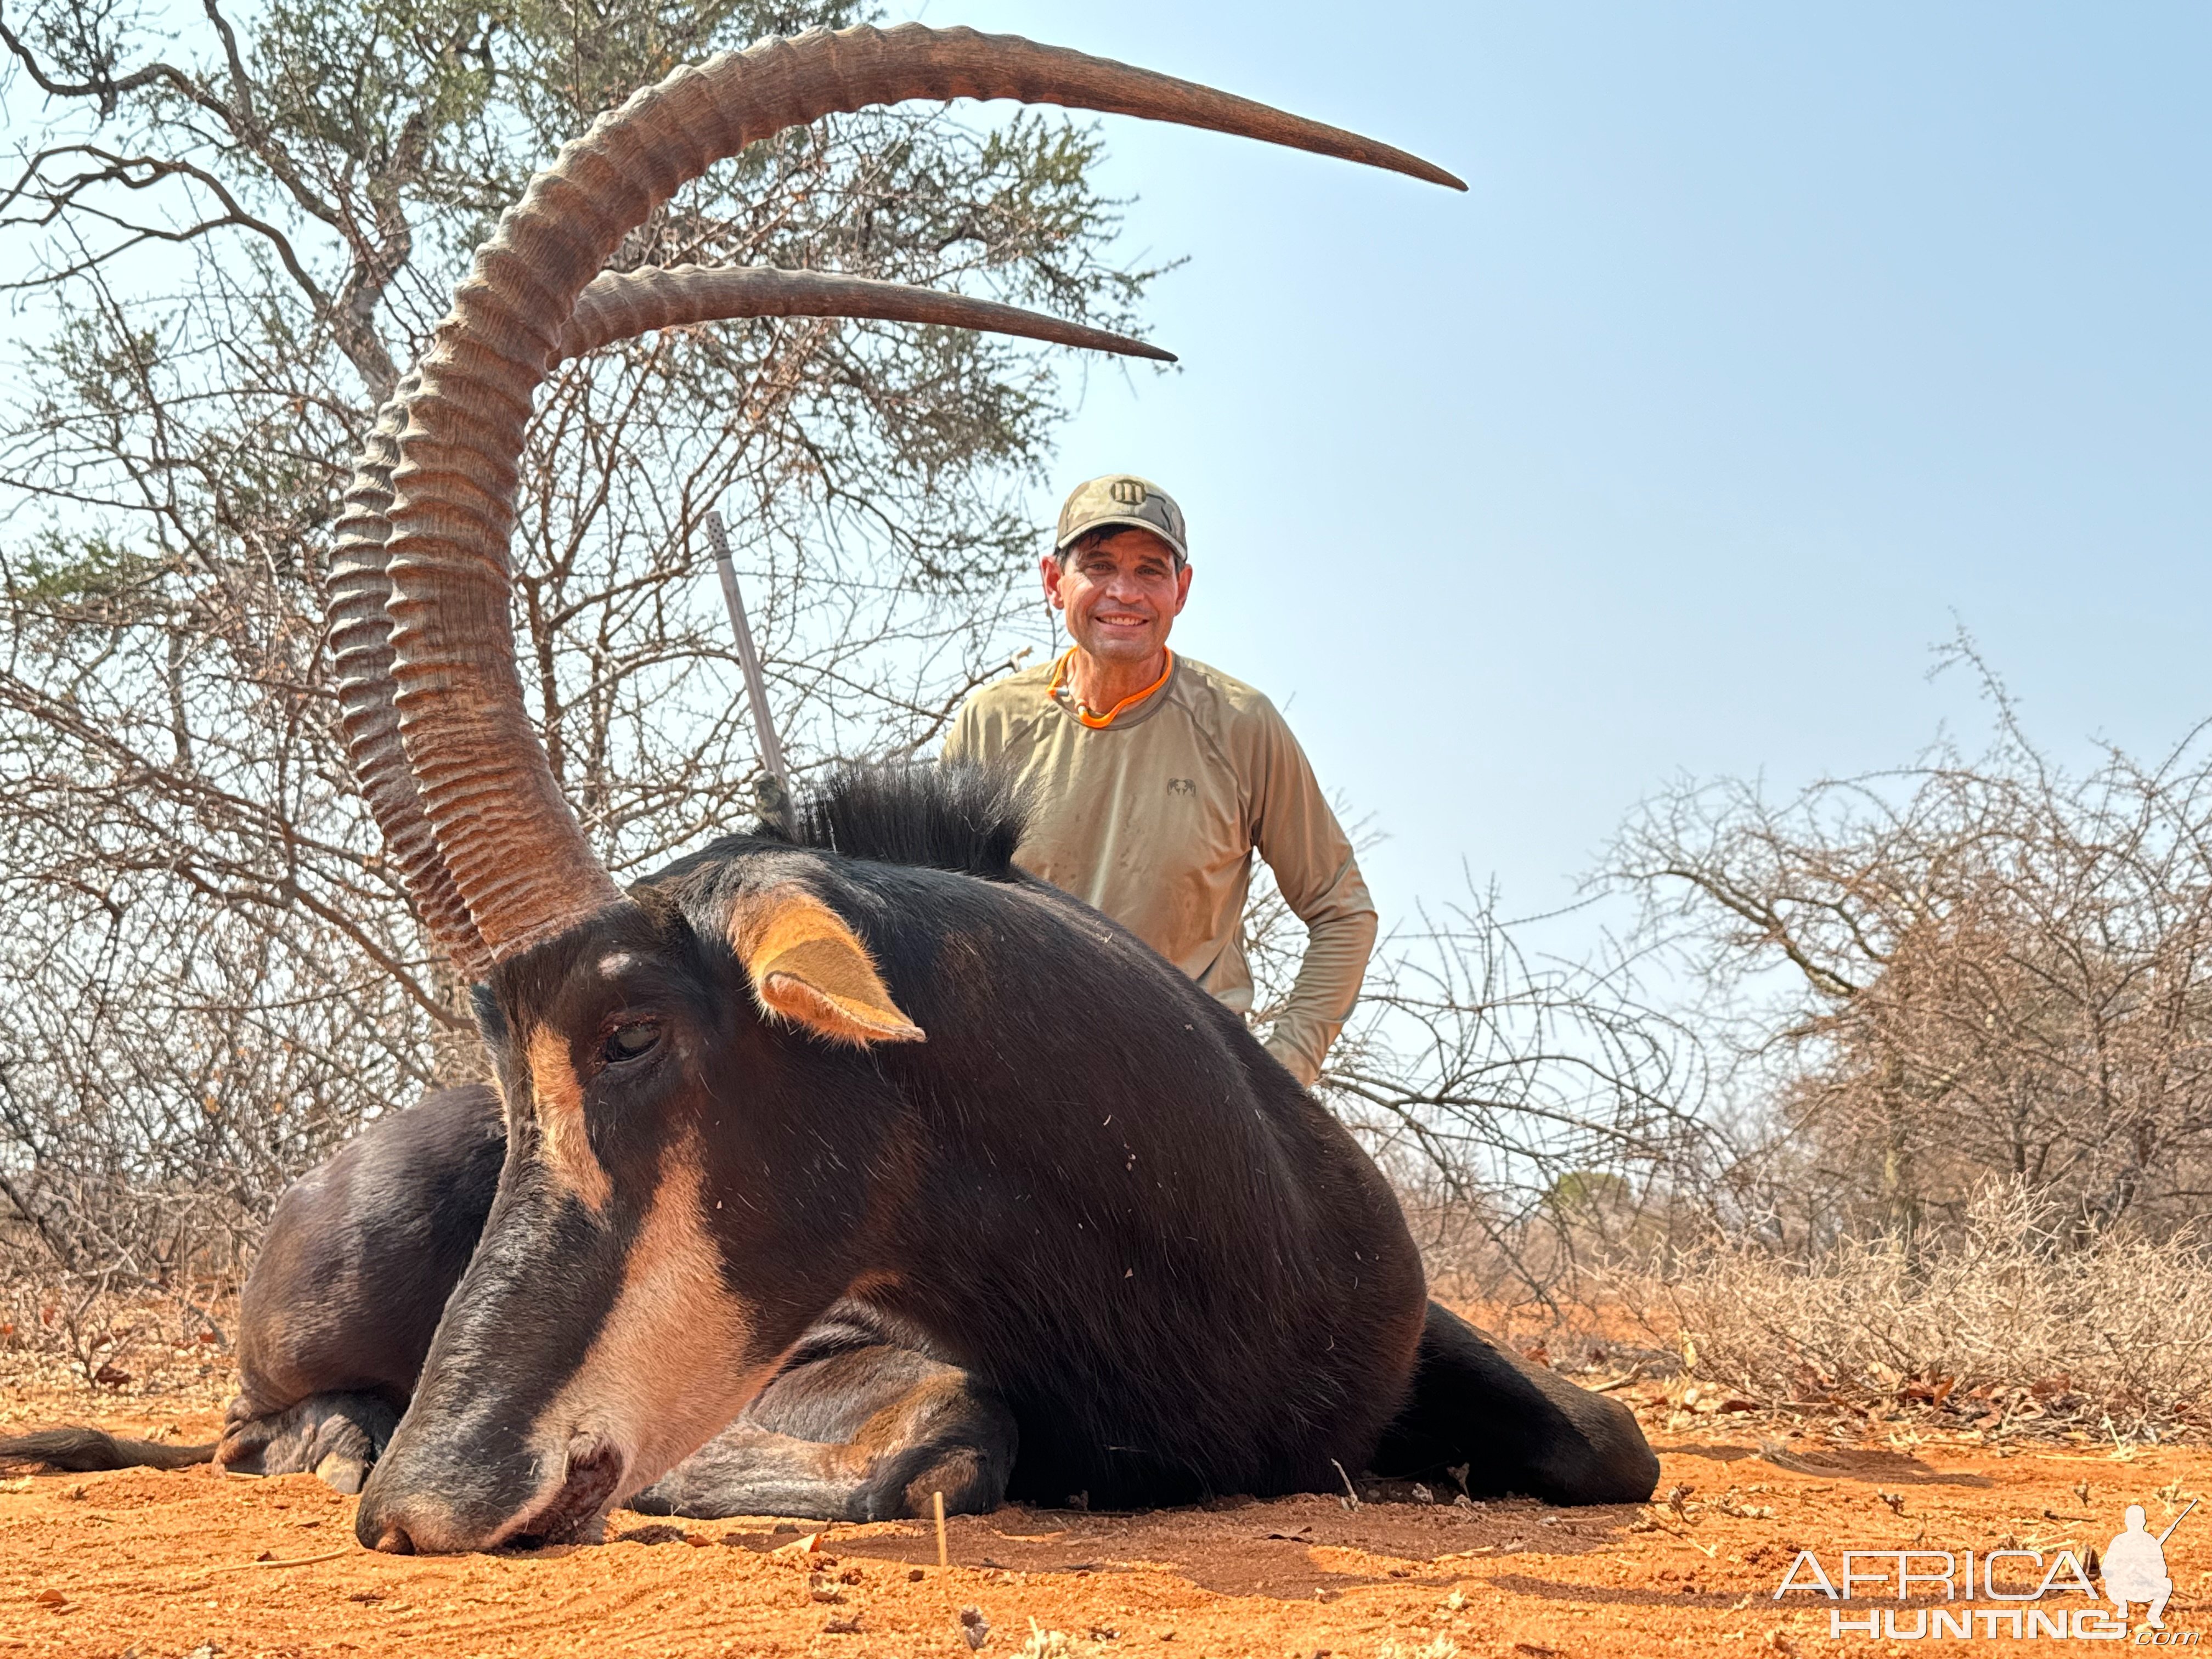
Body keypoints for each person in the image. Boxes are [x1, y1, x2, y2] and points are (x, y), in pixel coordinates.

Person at [944, 473, 1377, 1087]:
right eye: (1098, 566)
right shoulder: (991, 724)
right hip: (1021, 1088)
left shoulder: (1241, 726)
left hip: (1191, 1088)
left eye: (1151, 570)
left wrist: (1283, 1075)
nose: (1125, 593)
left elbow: (1343, 911)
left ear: (1182, 590)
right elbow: (935, 913)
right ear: (1053, 582)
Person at [2103, 1504, 2174, 1628]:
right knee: (2110, 1583)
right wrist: (2122, 1572)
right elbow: (2106, 1569)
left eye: (2138, 1521)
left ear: (2144, 1522)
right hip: (2123, 1588)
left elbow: (2162, 1570)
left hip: (2144, 1588)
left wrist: (2147, 1572)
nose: (2135, 1524)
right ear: (2126, 1522)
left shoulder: (2151, 1542)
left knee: (2167, 1583)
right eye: (2132, 1521)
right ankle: (2122, 1606)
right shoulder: (2118, 1541)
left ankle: (2154, 1614)